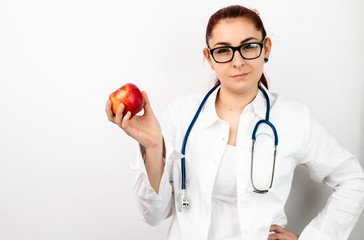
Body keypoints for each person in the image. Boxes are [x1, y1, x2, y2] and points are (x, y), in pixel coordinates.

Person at [105, 5, 364, 240]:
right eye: (223, 51)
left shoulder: (294, 119)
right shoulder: (182, 114)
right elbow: (153, 216)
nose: (237, 61)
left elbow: (353, 181)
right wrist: (152, 147)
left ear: (266, 49)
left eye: (249, 46)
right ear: (209, 58)